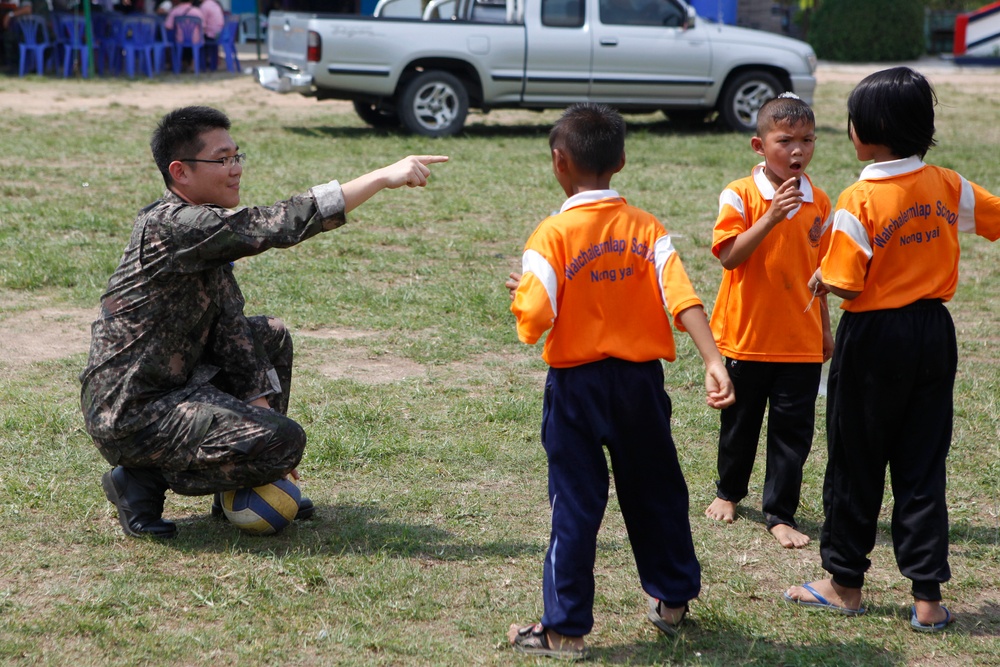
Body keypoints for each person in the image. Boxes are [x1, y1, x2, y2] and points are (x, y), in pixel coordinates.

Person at [80, 105, 447, 539]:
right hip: (131, 412)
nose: (235, 169)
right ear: (179, 171)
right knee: (285, 440)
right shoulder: (176, 227)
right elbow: (280, 223)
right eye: (222, 160)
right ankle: (139, 482)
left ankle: (242, 481)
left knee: (268, 335)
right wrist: (383, 176)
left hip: (178, 385)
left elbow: (232, 328)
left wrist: (259, 414)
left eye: (237, 156)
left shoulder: (204, 230)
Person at [504, 103, 734, 659]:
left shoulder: (552, 235)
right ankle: (673, 602)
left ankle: (564, 630)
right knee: (656, 490)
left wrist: (522, 294)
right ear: (622, 160)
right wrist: (713, 359)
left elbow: (533, 321)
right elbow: (681, 296)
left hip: (576, 388)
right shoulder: (647, 228)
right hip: (639, 386)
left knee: (576, 503)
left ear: (559, 162)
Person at [784, 67, 999, 632]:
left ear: (865, 132)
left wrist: (824, 277)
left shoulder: (859, 199)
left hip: (875, 339)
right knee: (922, 463)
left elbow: (850, 282)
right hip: (933, 332)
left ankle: (844, 583)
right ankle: (927, 600)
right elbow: (994, 218)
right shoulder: (948, 185)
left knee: (856, 461)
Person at [704, 93, 833, 549]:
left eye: (807, 140)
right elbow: (729, 257)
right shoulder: (739, 194)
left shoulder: (819, 200)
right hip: (748, 337)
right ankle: (729, 492)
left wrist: (825, 327)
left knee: (792, 434)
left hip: (799, 341)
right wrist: (772, 217)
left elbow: (820, 274)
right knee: (740, 424)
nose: (798, 151)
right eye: (785, 141)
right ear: (760, 146)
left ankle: (780, 512)